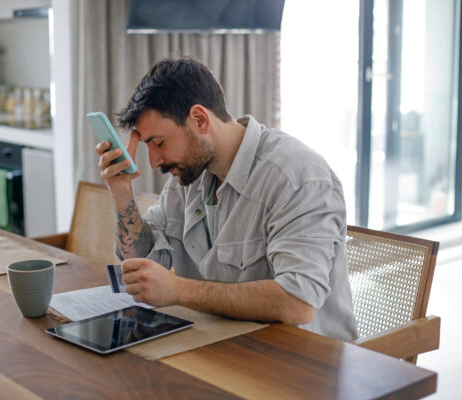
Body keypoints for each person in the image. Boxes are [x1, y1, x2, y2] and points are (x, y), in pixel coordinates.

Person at [96, 57, 358, 341]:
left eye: (159, 142)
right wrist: (122, 192)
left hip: (306, 364)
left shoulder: (297, 177)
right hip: (225, 345)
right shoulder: (187, 179)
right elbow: (144, 261)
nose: (154, 160)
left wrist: (178, 290)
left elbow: (298, 303)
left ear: (199, 119)